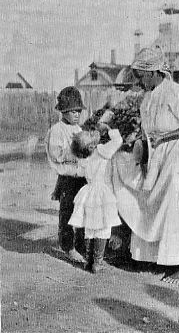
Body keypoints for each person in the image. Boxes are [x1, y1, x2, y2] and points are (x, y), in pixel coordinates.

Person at [111, 46, 179, 284]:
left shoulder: (176, 92)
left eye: (140, 74)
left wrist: (165, 138)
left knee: (178, 207)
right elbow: (148, 129)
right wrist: (138, 142)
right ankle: (157, 257)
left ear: (153, 72)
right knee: (153, 202)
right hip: (159, 154)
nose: (138, 80)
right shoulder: (148, 96)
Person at [68, 111, 123, 273]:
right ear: (92, 146)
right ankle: (97, 262)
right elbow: (118, 141)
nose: (95, 134)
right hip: (102, 193)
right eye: (91, 136)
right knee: (103, 228)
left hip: (88, 192)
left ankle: (88, 260)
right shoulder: (101, 151)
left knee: (90, 227)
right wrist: (108, 128)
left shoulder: (83, 157)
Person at [45, 86, 87, 263]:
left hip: (82, 176)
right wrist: (74, 151)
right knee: (67, 212)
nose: (76, 115)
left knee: (83, 210)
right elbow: (55, 155)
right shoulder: (57, 130)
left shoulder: (78, 129)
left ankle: (81, 245)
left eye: (78, 111)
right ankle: (68, 246)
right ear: (63, 111)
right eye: (72, 111)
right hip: (68, 177)